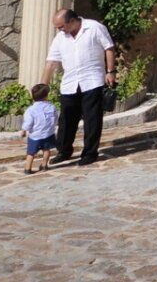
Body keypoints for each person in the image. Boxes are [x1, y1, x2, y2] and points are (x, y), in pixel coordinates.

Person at [44, 9, 115, 165]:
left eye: (61, 26)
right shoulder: (60, 38)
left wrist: (110, 71)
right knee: (66, 119)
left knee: (92, 119)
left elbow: (108, 48)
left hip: (92, 80)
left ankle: (89, 153)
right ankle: (64, 151)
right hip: (70, 83)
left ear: (71, 21)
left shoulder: (94, 27)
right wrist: (43, 86)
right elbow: (51, 62)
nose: (59, 30)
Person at [20, 84, 59, 173]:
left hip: (35, 135)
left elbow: (28, 122)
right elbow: (56, 118)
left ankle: (28, 168)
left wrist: (24, 130)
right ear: (46, 96)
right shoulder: (51, 107)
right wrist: (52, 127)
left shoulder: (31, 110)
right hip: (48, 133)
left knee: (31, 153)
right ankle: (44, 165)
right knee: (46, 150)